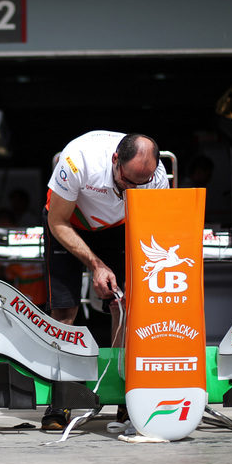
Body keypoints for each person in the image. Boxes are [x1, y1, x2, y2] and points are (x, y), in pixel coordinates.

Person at [40, 130, 171, 429]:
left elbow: (154, 229)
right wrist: (96, 265)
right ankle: (60, 400)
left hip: (118, 226)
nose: (131, 189)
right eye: (126, 182)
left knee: (126, 305)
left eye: (141, 183)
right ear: (115, 160)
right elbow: (56, 221)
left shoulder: (155, 176)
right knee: (64, 311)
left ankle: (128, 398)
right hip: (70, 222)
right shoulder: (77, 161)